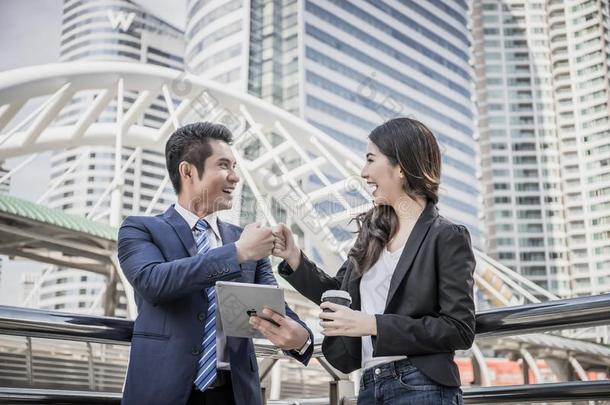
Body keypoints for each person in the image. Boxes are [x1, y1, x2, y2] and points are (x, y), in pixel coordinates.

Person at [272, 117, 476, 404]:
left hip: (423, 386)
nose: (363, 172)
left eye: (370, 160)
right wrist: (294, 258)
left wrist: (374, 325)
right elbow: (336, 296)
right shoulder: (372, 234)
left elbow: (459, 328)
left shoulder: (446, 236)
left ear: (401, 167)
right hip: (369, 384)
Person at [117, 122, 314, 405]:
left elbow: (274, 305)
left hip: (234, 394)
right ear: (187, 171)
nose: (235, 177)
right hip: (161, 393)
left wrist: (301, 338)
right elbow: (153, 283)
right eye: (224, 166)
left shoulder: (244, 239)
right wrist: (235, 253)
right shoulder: (139, 229)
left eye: (235, 167)